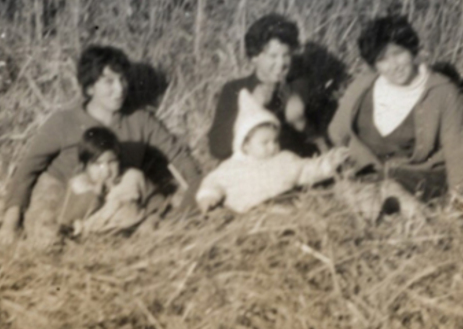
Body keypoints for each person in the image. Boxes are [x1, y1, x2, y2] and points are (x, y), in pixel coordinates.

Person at [0, 45, 200, 246]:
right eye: (109, 82)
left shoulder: (141, 120)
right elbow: (28, 169)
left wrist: (192, 203)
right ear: (89, 88)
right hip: (63, 195)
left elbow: (180, 157)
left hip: (113, 197)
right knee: (48, 238)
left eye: (122, 79)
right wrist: (10, 222)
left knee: (149, 233)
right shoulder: (63, 122)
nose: (120, 89)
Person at [328, 15, 463, 202]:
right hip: (366, 174)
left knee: (386, 190)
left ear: (412, 50)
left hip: (416, 178)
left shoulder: (442, 90)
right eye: (382, 59)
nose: (394, 66)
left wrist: (458, 201)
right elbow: (337, 132)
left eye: (399, 53)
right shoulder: (363, 85)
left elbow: (457, 152)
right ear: (374, 64)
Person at [197, 89, 348, 214]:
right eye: (264, 143)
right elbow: (213, 181)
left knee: (304, 208)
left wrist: (330, 162)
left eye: (275, 141)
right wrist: (209, 196)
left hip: (287, 206)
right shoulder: (232, 167)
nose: (272, 146)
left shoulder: (285, 159)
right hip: (251, 215)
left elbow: (306, 169)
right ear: (245, 145)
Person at [207, 13, 316, 161]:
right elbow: (217, 148)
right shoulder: (235, 89)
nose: (281, 63)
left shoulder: (299, 87)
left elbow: (318, 146)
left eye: (286, 55)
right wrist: (251, 107)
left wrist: (301, 123)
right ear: (254, 57)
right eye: (273, 56)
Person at [56, 127, 147, 236]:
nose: (106, 170)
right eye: (98, 164)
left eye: (112, 162)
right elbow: (68, 217)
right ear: (85, 166)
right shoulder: (79, 185)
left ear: (119, 160)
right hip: (94, 234)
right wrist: (96, 194)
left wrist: (153, 218)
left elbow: (154, 200)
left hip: (132, 228)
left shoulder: (132, 177)